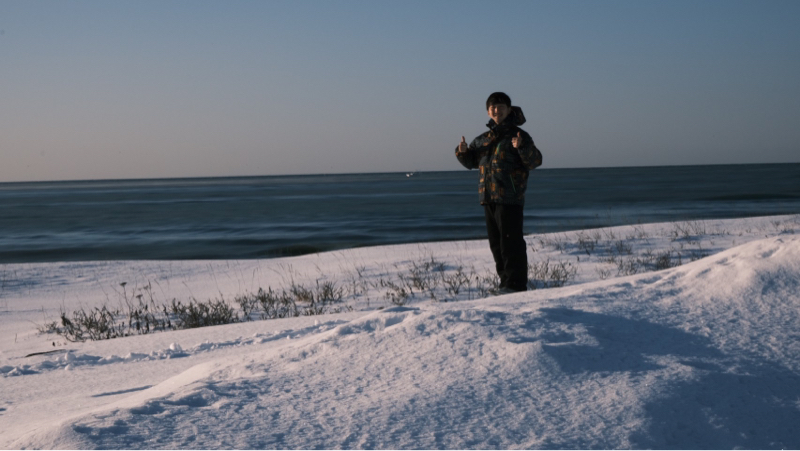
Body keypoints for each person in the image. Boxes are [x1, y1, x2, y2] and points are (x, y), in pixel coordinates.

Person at [455, 92, 543, 293]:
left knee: (511, 243)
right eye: (493, 107)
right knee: (496, 244)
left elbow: (535, 161)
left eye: (501, 106)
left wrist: (521, 148)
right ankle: (505, 283)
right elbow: (471, 163)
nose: (497, 110)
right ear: (488, 111)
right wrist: (462, 152)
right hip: (488, 197)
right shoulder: (484, 139)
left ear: (509, 109)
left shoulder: (519, 135)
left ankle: (516, 284)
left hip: (510, 197)